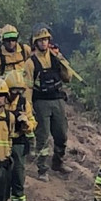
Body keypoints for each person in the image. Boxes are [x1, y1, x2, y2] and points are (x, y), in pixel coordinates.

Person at [23, 26, 73, 179]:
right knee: (42, 137)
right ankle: (42, 169)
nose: (44, 43)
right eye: (40, 41)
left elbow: (68, 77)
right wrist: (28, 107)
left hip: (57, 99)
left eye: (46, 40)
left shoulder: (55, 57)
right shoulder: (30, 63)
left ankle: (58, 162)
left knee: (61, 135)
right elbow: (27, 87)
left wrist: (61, 59)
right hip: (41, 102)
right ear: (35, 43)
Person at [3, 69, 36, 201]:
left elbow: (32, 122)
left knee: (18, 180)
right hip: (1, 145)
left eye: (19, 91)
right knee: (2, 181)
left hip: (18, 144)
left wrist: (26, 123)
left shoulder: (24, 103)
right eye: (13, 90)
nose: (15, 94)